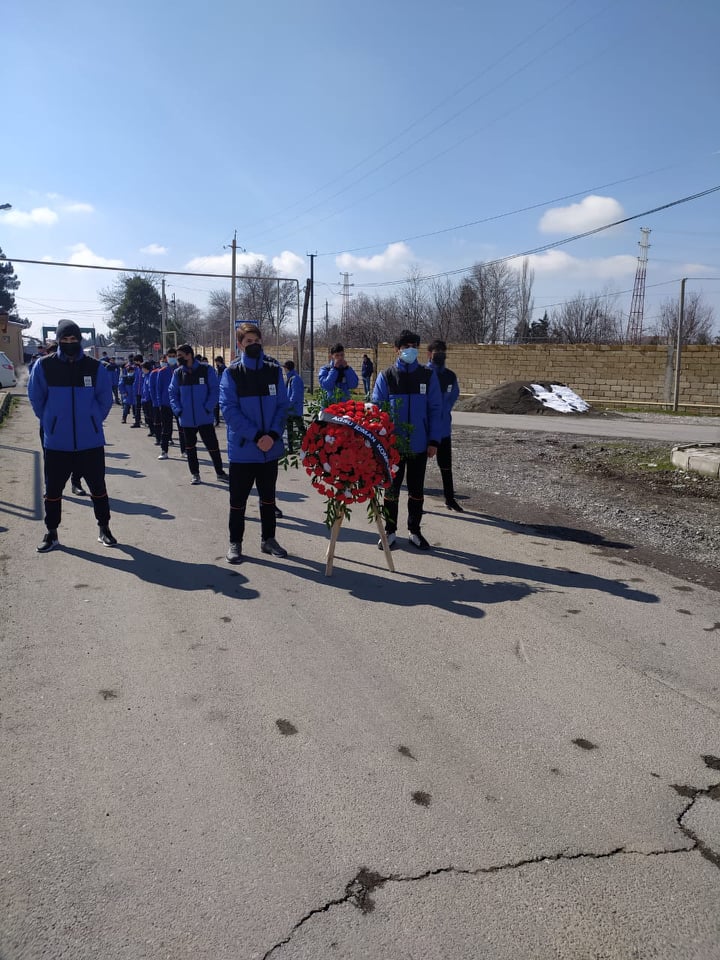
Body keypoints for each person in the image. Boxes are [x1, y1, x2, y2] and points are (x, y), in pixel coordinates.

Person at [27, 319, 117, 552]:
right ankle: (52, 532)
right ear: (58, 340)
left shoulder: (94, 367)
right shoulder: (44, 366)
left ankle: (104, 528)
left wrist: (93, 420)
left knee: (98, 488)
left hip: (90, 442)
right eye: (65, 339)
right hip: (57, 443)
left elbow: (105, 399)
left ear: (79, 340)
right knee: (53, 491)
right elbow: (36, 398)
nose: (69, 342)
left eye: (73, 339)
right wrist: (51, 421)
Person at [219, 323, 289, 563]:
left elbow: (282, 405)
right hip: (244, 450)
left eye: (256, 341)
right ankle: (235, 542)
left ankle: (268, 539)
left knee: (268, 499)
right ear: (240, 345)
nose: (253, 345)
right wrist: (257, 436)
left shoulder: (273, 370)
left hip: (270, 450)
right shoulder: (232, 373)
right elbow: (229, 410)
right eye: (248, 341)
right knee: (238, 502)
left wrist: (273, 435)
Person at [372, 329, 442, 551]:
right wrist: (379, 442)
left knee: (416, 491)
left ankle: (414, 531)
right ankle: (390, 531)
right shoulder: (387, 376)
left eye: (414, 346)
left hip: (419, 445)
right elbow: (377, 410)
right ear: (397, 349)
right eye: (405, 347)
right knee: (391, 491)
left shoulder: (427, 376)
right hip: (393, 447)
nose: (410, 350)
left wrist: (434, 440)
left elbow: (435, 409)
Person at [169, 344, 228, 484]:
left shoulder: (206, 370)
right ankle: (195, 474)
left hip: (204, 417)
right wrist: (178, 410)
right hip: (186, 419)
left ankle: (220, 472)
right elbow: (172, 393)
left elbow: (214, 390)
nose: (178, 359)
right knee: (190, 448)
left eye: (180, 356)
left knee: (213, 446)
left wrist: (208, 408)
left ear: (189, 355)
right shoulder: (178, 373)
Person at [426, 338, 463, 512]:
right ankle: (415, 501)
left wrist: (443, 410)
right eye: (436, 352)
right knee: (418, 468)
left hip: (443, 429)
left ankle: (450, 498)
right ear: (429, 354)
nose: (440, 355)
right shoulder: (424, 373)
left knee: (446, 465)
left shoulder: (450, 376)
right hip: (425, 428)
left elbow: (454, 395)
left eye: (442, 352)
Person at [283, 360, 306, 454]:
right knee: (290, 429)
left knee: (301, 428)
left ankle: (308, 444)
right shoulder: (291, 378)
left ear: (286, 368)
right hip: (290, 410)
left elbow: (295, 395)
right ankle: (290, 449)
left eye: (284, 368)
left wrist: (289, 406)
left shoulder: (295, 379)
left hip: (294, 409)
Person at [213, 355, 226, 426]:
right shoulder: (217, 369)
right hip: (217, 389)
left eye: (216, 362)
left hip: (222, 389)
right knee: (216, 406)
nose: (216, 363)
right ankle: (217, 420)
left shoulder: (224, 369)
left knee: (223, 405)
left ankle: (224, 419)